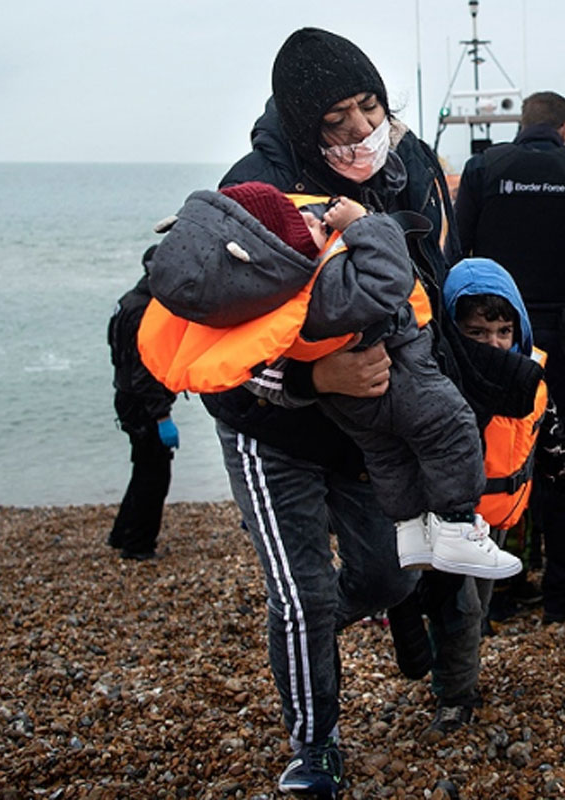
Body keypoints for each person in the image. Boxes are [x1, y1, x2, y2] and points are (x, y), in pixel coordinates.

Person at [194, 28, 480, 798]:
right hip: (271, 424)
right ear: (302, 125)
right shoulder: (250, 192)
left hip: (370, 428)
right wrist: (316, 376)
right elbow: (206, 357)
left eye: (370, 106)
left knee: (388, 580)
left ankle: (308, 632)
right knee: (304, 591)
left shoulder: (410, 166)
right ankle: (314, 746)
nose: (361, 130)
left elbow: (434, 296)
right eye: (336, 120)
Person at [142, 180, 522, 581]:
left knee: (387, 454)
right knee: (452, 429)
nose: (312, 215)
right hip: (402, 375)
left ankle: (411, 532)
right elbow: (389, 277)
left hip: (349, 404)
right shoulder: (327, 288)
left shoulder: (262, 303)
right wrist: (364, 224)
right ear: (279, 256)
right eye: (301, 223)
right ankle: (458, 526)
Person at [406, 257, 565, 737]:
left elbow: (551, 438)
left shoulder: (528, 377)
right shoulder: (439, 380)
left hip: (496, 520)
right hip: (449, 520)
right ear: (453, 332)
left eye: (502, 331)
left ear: (519, 328)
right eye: (476, 333)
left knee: (476, 607)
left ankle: (449, 669)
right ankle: (456, 697)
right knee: (462, 608)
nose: (493, 344)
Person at [454, 90, 565, 624]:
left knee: (484, 455)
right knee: (562, 450)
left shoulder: (482, 170)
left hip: (491, 336)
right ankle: (564, 599)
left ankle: (493, 590)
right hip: (564, 338)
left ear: (523, 125)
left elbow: (456, 256)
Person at [106, 253, 178, 561]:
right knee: (155, 473)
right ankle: (138, 544)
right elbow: (143, 371)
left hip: (126, 396)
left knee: (143, 467)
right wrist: (162, 416)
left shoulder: (127, 301)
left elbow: (117, 354)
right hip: (142, 403)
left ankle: (122, 532)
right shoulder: (145, 311)